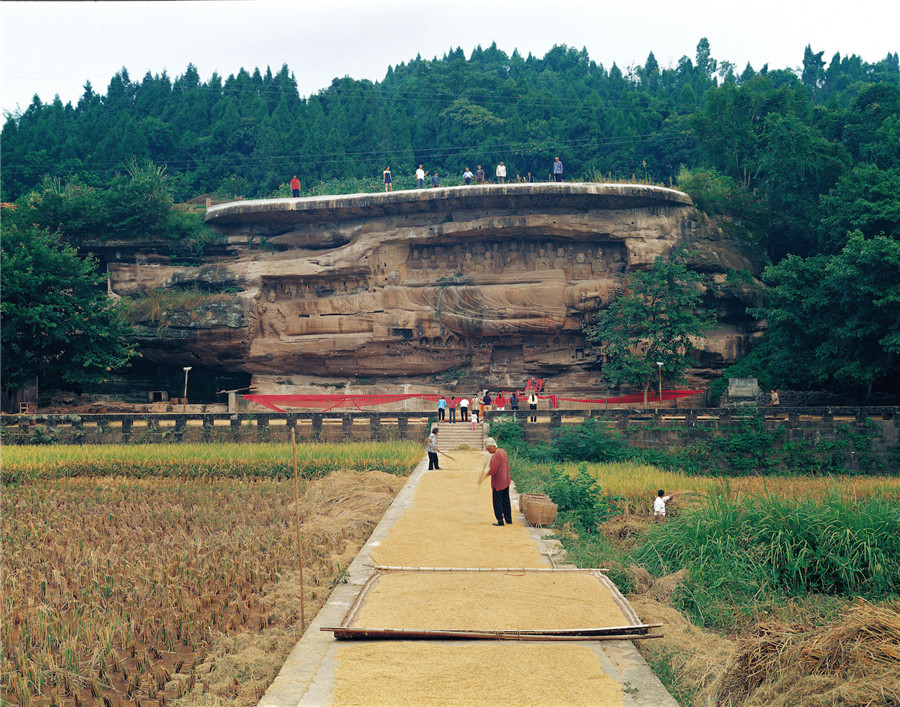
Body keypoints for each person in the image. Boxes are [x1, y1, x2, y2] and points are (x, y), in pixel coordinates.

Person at [480, 437, 512, 526]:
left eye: (489, 449)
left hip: (498, 482)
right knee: (506, 500)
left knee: (497, 502)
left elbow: (493, 470)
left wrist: (486, 475)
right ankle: (508, 519)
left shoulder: (496, 455)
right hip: (506, 480)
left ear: (493, 446)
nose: (489, 451)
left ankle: (500, 521)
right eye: (487, 449)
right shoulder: (503, 451)